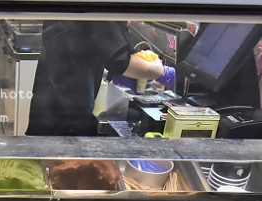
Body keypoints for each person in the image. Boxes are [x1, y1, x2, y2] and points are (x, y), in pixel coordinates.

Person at [26, 21, 175, 136]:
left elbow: (83, 50)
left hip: (52, 106)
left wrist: (107, 73)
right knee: (62, 162)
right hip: (66, 114)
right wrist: (163, 73)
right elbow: (120, 61)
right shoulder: (104, 7)